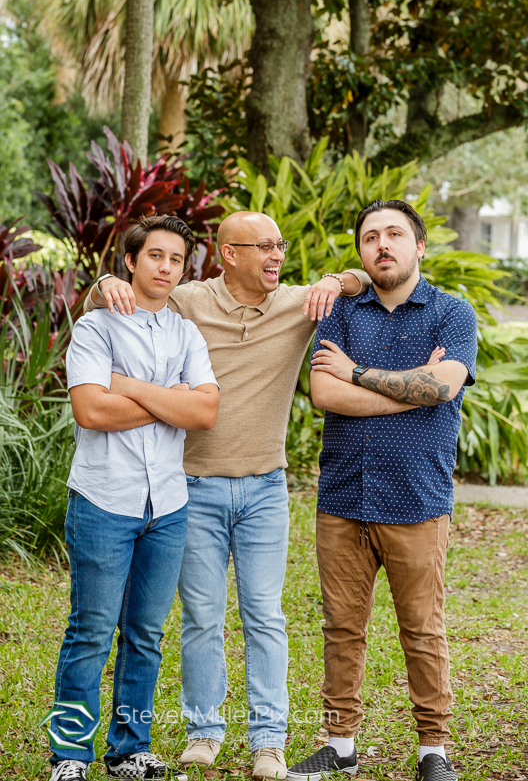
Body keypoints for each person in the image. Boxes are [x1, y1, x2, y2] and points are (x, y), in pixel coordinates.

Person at [84, 210, 371, 780]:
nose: (277, 255)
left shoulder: (298, 303)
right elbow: (111, 306)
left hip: (265, 486)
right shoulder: (188, 301)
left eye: (281, 245)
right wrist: (103, 283)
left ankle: (269, 741)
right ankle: (204, 732)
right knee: (202, 617)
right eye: (263, 246)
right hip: (193, 486)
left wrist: (336, 282)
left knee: (265, 615)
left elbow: (360, 277)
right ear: (229, 254)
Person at [286, 200, 478, 781]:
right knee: (342, 627)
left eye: (395, 234)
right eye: (371, 237)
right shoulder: (342, 313)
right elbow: (325, 394)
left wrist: (360, 375)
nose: (382, 245)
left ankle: (432, 750)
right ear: (362, 252)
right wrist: (408, 390)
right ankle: (339, 742)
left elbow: (443, 387)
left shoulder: (452, 313)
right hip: (343, 498)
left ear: (419, 246)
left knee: (422, 628)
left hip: (417, 500)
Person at [46, 215, 219, 781]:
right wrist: (171, 398)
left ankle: (128, 748)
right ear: (131, 261)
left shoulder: (186, 334)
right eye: (155, 257)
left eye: (176, 259)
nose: (166, 267)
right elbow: (91, 410)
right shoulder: (96, 329)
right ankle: (70, 756)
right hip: (103, 498)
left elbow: (205, 412)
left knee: (145, 633)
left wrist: (130, 386)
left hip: (166, 505)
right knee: (91, 631)